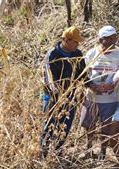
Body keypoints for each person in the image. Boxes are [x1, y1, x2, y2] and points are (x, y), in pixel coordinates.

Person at [80, 25, 119, 160]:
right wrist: (92, 87)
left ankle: (103, 151)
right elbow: (83, 74)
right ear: (101, 40)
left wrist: (113, 84)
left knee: (106, 126)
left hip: (110, 98)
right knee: (89, 125)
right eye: (108, 39)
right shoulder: (91, 54)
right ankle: (88, 149)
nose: (112, 41)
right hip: (92, 97)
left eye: (114, 38)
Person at [41, 26, 87, 157]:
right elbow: (49, 78)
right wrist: (57, 93)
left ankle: (56, 151)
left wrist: (92, 85)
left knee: (65, 125)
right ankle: (44, 152)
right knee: (49, 124)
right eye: (75, 42)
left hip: (70, 96)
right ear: (66, 40)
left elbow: (81, 74)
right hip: (53, 96)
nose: (77, 45)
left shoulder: (77, 54)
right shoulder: (53, 54)